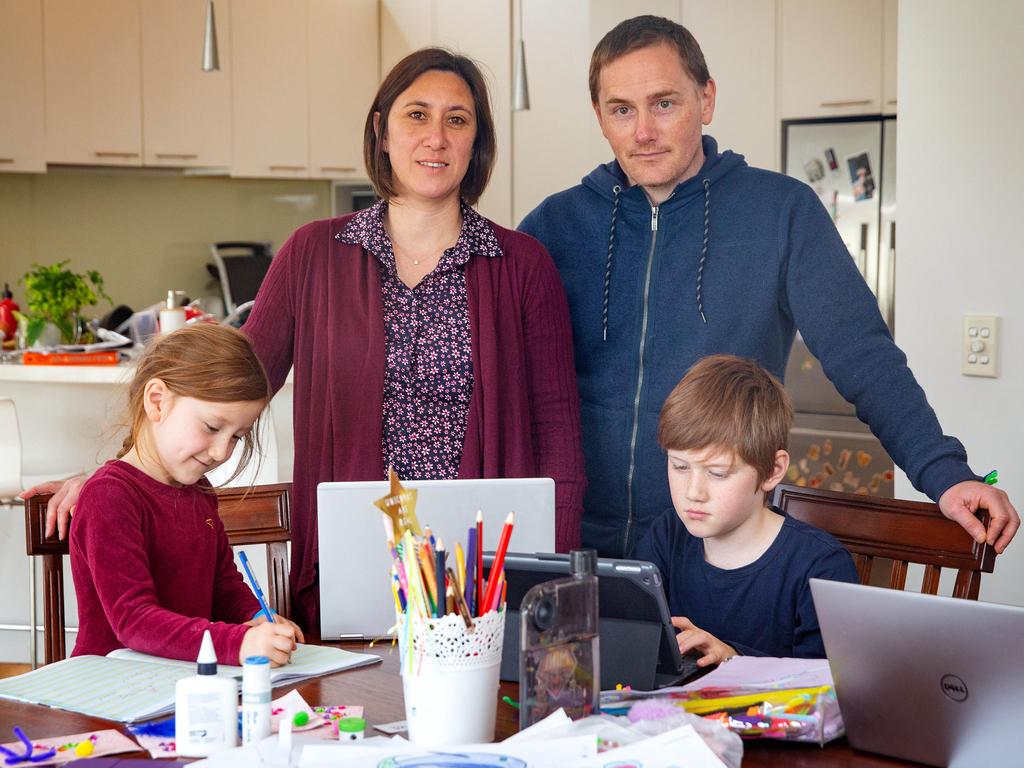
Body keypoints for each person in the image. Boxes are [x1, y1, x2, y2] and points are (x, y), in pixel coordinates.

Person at [29, 48, 586, 635]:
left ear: (478, 140)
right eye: (416, 115)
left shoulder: (523, 265)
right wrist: (119, 471)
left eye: (457, 119)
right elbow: (229, 382)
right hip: (354, 552)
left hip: (484, 560)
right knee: (351, 711)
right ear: (382, 129)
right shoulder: (312, 254)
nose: (436, 137)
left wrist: (556, 579)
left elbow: (559, 435)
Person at [518, 14, 1018, 559]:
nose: (643, 131)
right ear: (600, 116)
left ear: (705, 100)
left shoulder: (782, 212)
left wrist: (944, 473)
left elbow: (863, 354)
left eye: (664, 103)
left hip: (722, 550)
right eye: (621, 110)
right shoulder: (553, 226)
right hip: (572, 545)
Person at [69, 324, 303, 665]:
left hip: (179, 682)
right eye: (211, 427)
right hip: (112, 689)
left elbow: (224, 587)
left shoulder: (199, 494)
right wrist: (238, 643)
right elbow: (134, 621)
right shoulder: (109, 496)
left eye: (237, 436)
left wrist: (255, 617)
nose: (222, 452)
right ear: (157, 401)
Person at [634, 355, 858, 662]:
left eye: (718, 473)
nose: (693, 492)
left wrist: (734, 661)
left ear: (772, 471)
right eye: (680, 466)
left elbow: (828, 688)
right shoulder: (666, 535)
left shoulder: (821, 567)